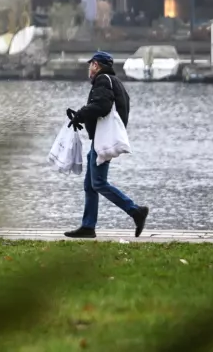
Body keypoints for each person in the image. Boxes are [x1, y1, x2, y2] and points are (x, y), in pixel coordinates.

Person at [64, 51, 149, 239]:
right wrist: (82, 117)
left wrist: (81, 114)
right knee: (90, 185)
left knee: (98, 183)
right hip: (102, 139)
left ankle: (136, 211)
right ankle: (88, 226)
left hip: (102, 141)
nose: (89, 68)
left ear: (96, 65)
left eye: (90, 65)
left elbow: (101, 106)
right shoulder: (115, 82)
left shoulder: (103, 80)